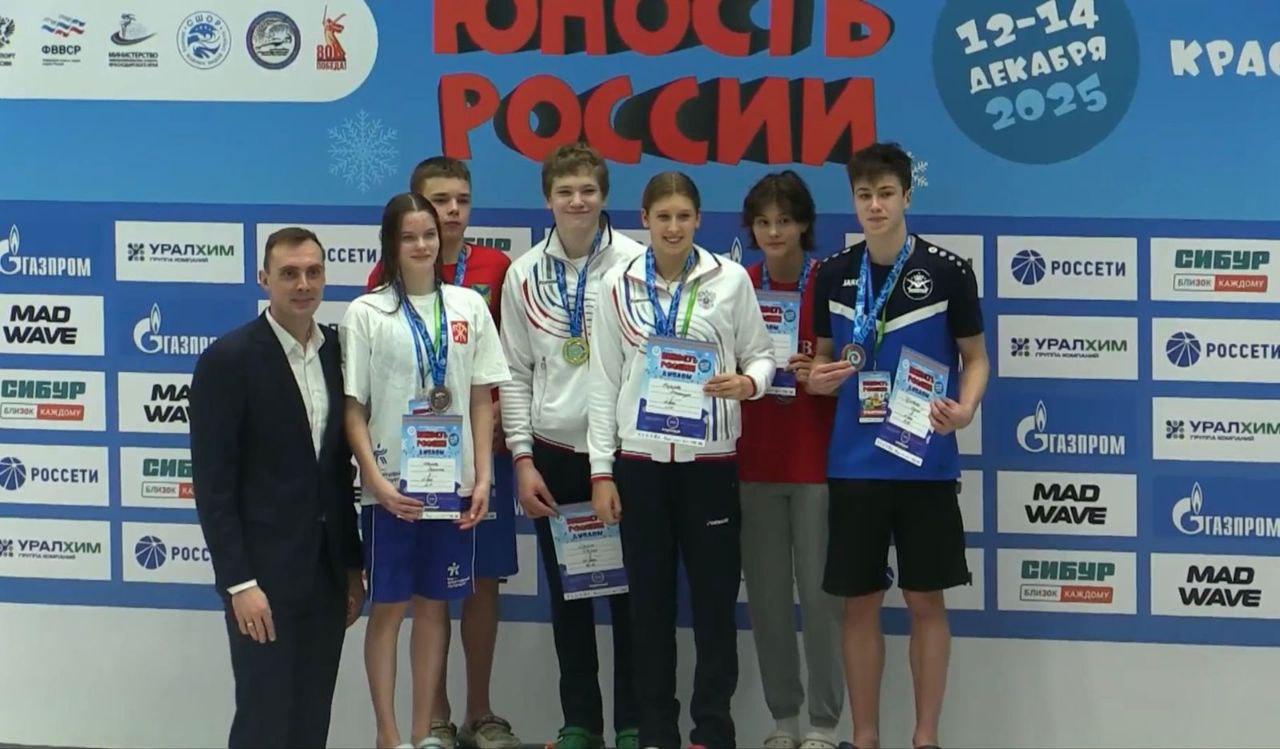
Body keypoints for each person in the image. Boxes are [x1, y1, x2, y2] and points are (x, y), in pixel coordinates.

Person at [808, 142, 989, 749]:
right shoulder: (833, 273)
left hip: (925, 462)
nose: (875, 206)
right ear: (853, 201)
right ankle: (864, 738)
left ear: (907, 196)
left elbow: (976, 359)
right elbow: (822, 360)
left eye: (886, 194)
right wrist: (817, 378)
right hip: (854, 464)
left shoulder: (948, 271)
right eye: (864, 195)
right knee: (859, 605)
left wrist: (966, 408)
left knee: (924, 600)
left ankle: (925, 737)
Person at [587, 171, 775, 749]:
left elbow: (762, 354)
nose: (673, 227)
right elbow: (603, 381)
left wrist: (749, 383)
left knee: (715, 603)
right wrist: (601, 471)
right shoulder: (615, 284)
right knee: (648, 605)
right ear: (644, 219)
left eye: (683, 216)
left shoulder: (730, 279)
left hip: (710, 464)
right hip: (641, 465)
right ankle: (657, 731)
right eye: (663, 216)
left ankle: (713, 729)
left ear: (699, 219)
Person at [342, 192, 510, 749]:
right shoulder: (367, 312)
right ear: (390, 243)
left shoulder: (468, 306)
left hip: (451, 486)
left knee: (436, 606)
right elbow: (354, 408)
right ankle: (388, 736)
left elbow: (482, 397)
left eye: (429, 235)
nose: (421, 245)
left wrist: (482, 478)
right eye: (409, 236)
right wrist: (374, 481)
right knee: (389, 609)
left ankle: (422, 734)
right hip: (392, 488)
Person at [190, 227, 364, 749]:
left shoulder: (338, 352)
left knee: (312, 720)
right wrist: (239, 584)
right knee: (264, 721)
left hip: (326, 576)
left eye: (313, 272)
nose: (303, 284)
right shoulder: (228, 360)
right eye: (289, 273)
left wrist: (351, 567)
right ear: (264, 279)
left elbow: (338, 472)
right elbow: (213, 487)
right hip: (262, 580)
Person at [498, 143, 645, 749]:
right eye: (565, 192)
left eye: (587, 190)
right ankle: (580, 722)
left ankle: (635, 721)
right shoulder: (523, 273)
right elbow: (513, 373)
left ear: (604, 195)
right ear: (548, 200)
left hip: (627, 454)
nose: (577, 201)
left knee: (633, 598)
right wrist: (522, 458)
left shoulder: (638, 264)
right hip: (555, 451)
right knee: (570, 597)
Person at [737, 171, 845, 749]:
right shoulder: (737, 283)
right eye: (763, 222)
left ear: (804, 223)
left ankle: (825, 724)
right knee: (769, 602)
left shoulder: (831, 281)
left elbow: (859, 362)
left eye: (784, 220)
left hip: (816, 464)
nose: (774, 231)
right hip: (753, 463)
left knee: (823, 604)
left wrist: (824, 371)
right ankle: (785, 721)